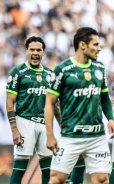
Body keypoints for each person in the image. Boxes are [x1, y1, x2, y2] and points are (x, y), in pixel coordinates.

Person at [45, 27, 114, 184]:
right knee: (56, 179)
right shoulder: (62, 70)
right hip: (71, 135)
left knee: (103, 180)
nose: (99, 48)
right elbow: (50, 103)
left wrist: (110, 118)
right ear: (82, 45)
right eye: (95, 44)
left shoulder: (99, 68)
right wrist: (50, 135)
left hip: (97, 136)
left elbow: (104, 98)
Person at [6, 36, 60, 184]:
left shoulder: (50, 75)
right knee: (20, 168)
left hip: (45, 124)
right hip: (24, 121)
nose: (35, 53)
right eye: (32, 50)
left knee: (48, 169)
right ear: (26, 51)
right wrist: (14, 130)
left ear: (43, 52)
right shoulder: (17, 73)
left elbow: (55, 105)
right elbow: (10, 102)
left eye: (38, 50)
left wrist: (63, 127)